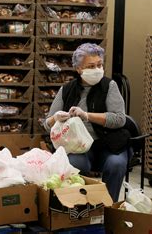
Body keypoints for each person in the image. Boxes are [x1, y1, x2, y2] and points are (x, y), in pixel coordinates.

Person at [43, 43, 128, 202]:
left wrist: (87, 116)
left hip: (108, 143)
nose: (97, 69)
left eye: (99, 65)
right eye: (91, 66)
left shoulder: (109, 86)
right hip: (78, 146)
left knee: (116, 164)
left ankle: (108, 208)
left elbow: (119, 119)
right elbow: (47, 123)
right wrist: (56, 118)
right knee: (74, 164)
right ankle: (80, 207)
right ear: (79, 69)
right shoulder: (67, 90)